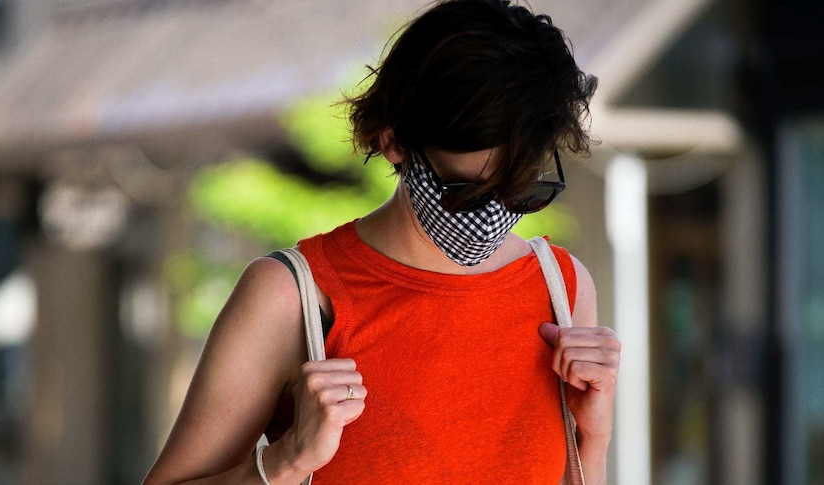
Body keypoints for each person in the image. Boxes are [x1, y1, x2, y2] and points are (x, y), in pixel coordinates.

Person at [143, 0, 621, 483]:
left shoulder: (561, 289)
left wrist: (593, 441)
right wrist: (286, 460)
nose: (494, 217)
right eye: (467, 194)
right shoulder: (293, 297)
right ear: (394, 142)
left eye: (522, 189)